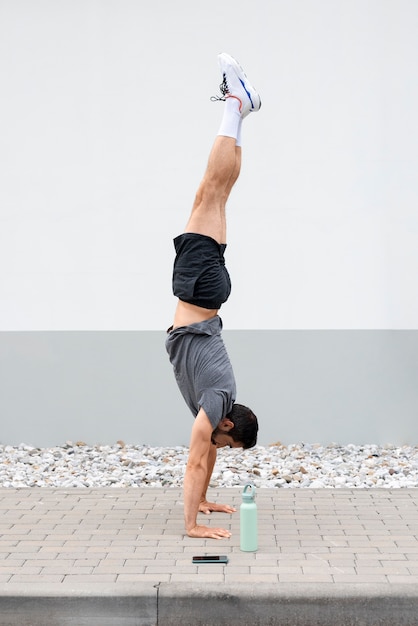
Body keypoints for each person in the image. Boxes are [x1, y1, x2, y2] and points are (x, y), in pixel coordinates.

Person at [166, 53, 261, 540]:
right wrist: (193, 526)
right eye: (227, 444)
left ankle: (239, 110)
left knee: (215, 192)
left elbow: (205, 460)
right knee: (210, 193)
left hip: (209, 293)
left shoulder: (220, 401)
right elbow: (196, 459)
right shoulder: (214, 406)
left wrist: (206, 500)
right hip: (199, 289)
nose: (218, 450)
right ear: (228, 423)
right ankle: (234, 105)